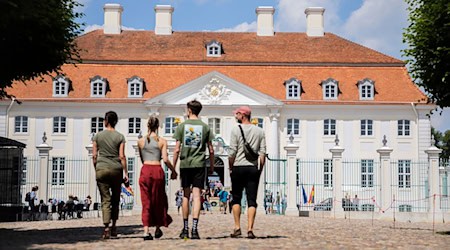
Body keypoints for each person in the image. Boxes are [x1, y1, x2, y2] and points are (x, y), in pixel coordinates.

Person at [173, 99, 215, 240]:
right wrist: (212, 166)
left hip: (185, 164)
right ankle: (195, 229)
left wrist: (173, 167)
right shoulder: (205, 127)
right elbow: (211, 149)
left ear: (189, 110)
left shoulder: (181, 126)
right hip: (199, 164)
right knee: (197, 196)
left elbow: (177, 149)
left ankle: (185, 229)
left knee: (185, 195)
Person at [228, 106, 266, 239]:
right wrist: (259, 170)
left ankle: (237, 227)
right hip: (252, 168)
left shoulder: (235, 130)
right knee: (251, 200)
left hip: (238, 167)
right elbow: (262, 154)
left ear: (243, 115)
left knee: (236, 198)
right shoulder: (260, 131)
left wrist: (230, 167)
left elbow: (232, 152)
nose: (235, 116)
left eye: (237, 114)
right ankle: (250, 229)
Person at [138, 116, 178, 240]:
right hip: (157, 170)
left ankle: (145, 231)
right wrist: (173, 171)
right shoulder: (162, 141)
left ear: (148, 126)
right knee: (158, 199)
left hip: (145, 170)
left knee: (146, 201)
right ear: (158, 126)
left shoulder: (140, 141)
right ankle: (157, 228)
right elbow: (165, 159)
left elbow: (142, 158)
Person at [93, 111, 128, 239]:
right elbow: (122, 156)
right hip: (116, 170)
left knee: (105, 199)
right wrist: (126, 173)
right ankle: (114, 226)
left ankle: (106, 227)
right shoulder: (120, 137)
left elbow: (94, 155)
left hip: (101, 169)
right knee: (115, 199)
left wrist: (96, 167)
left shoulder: (97, 136)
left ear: (106, 121)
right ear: (116, 122)